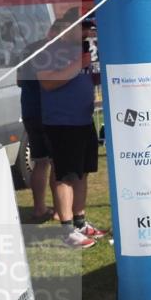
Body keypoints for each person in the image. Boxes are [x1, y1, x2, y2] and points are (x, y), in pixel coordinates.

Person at [36, 15, 107, 248]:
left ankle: (80, 222)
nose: (86, 34)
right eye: (82, 29)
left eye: (87, 30)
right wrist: (79, 64)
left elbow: (84, 78)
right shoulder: (48, 51)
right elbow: (47, 82)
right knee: (64, 174)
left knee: (82, 172)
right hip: (61, 123)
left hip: (83, 120)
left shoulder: (81, 51)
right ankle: (67, 229)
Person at [17, 36, 57, 224]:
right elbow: (51, 82)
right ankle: (59, 209)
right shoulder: (49, 51)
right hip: (45, 112)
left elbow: (19, 81)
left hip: (29, 111)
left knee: (40, 162)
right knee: (56, 162)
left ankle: (39, 208)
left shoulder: (28, 48)